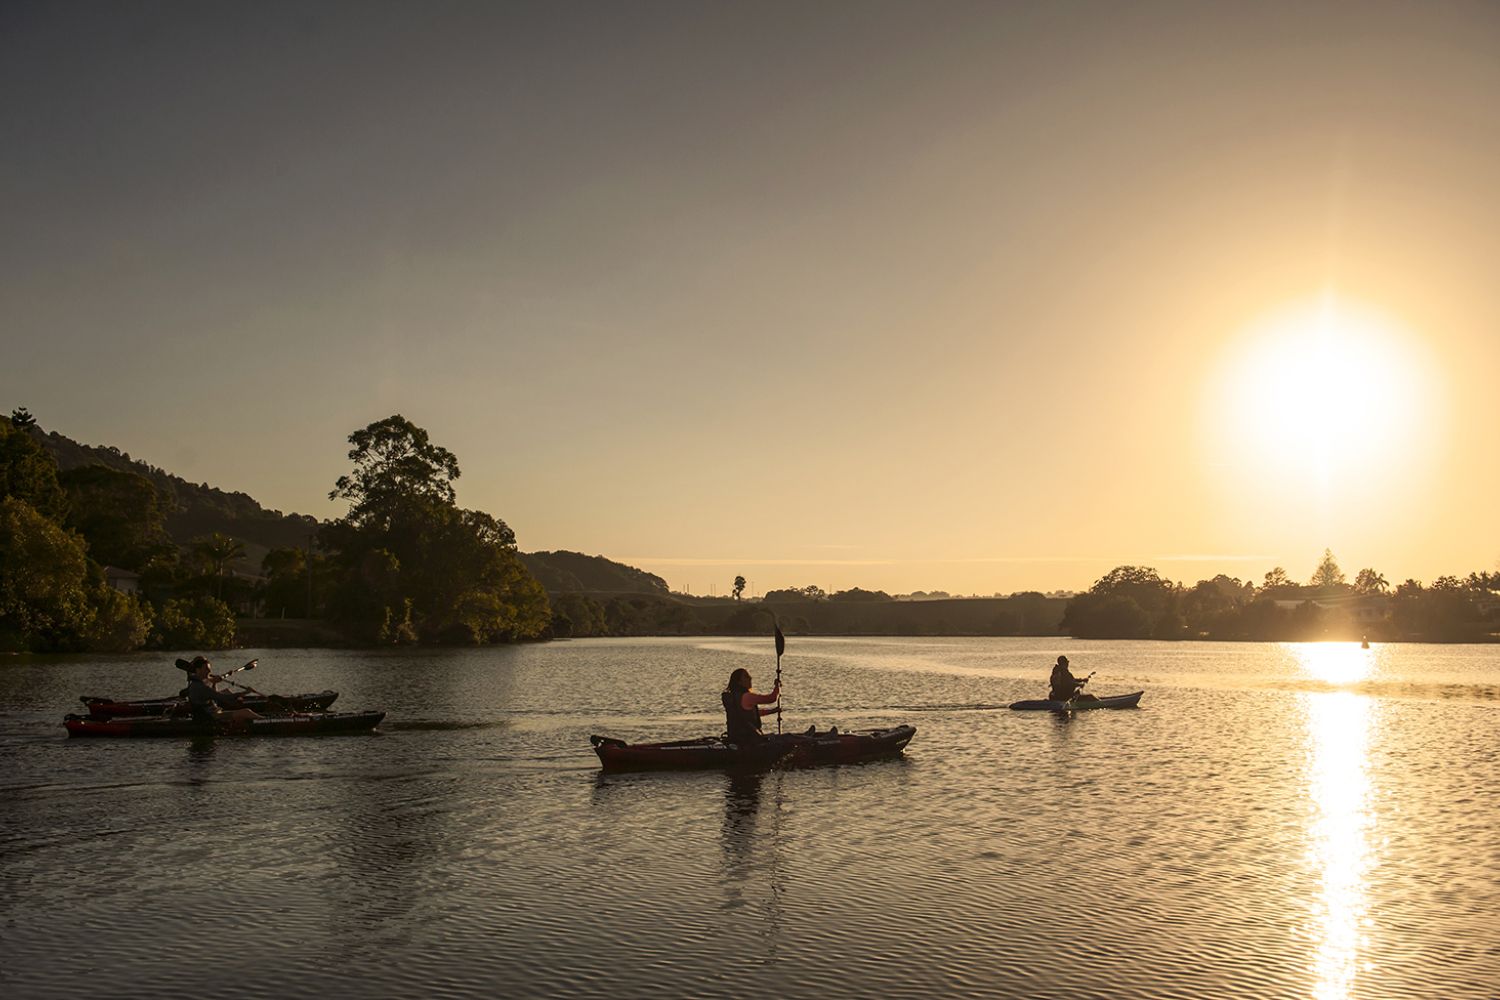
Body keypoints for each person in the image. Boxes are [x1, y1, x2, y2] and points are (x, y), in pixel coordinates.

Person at [184, 657, 260, 725]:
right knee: (246, 712)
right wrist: (245, 692)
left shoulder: (199, 681)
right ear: (198, 670)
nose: (209, 671)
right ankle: (263, 720)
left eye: (209, 669)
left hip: (212, 713)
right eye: (206, 669)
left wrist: (215, 682)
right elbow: (223, 698)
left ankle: (258, 719)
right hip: (211, 716)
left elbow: (213, 692)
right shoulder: (200, 686)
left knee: (227, 691)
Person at [721, 668, 780, 744]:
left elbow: (751, 714)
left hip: (735, 736)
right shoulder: (747, 696)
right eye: (746, 676)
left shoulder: (733, 697)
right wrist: (777, 686)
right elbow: (771, 698)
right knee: (786, 738)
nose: (750, 678)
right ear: (739, 682)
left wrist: (773, 711)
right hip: (749, 738)